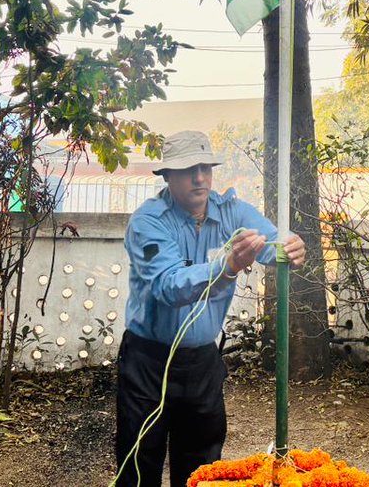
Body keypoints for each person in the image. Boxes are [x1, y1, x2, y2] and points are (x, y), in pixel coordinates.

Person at [115, 130, 306, 487]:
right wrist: (227, 266)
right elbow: (168, 286)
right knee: (140, 463)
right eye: (188, 169)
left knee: (202, 467)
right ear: (167, 176)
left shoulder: (232, 212)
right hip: (149, 363)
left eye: (205, 167)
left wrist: (291, 246)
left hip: (202, 363)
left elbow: (272, 243)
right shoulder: (149, 222)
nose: (199, 177)